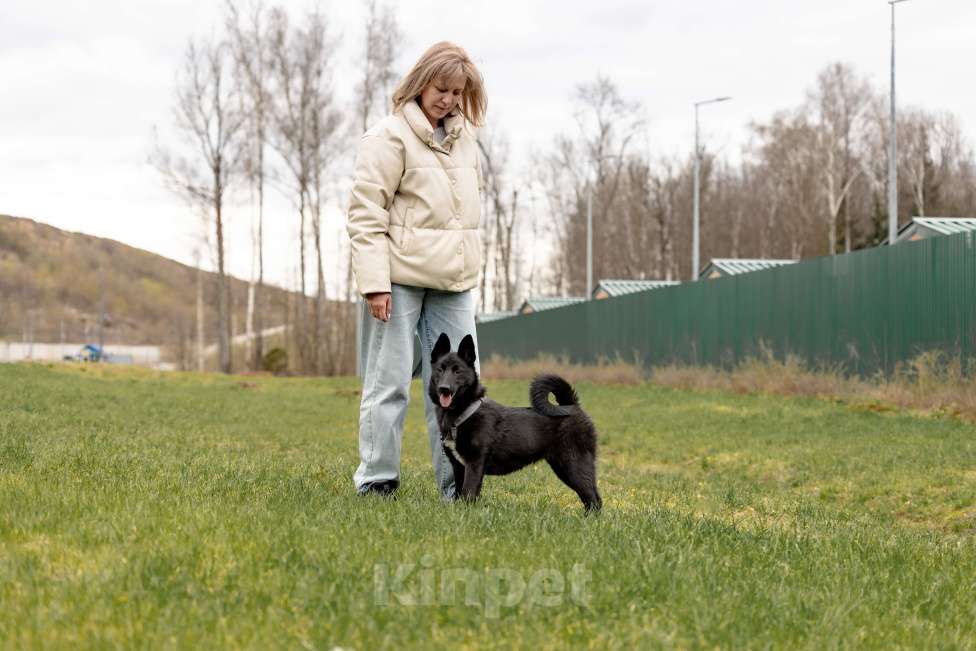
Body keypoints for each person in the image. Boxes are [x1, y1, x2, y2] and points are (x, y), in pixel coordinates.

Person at [346, 41, 486, 499]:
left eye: (456, 92)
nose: (447, 99)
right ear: (420, 82)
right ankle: (377, 480)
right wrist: (374, 285)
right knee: (389, 385)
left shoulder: (466, 141)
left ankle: (458, 488)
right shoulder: (387, 137)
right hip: (399, 281)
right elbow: (367, 213)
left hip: (453, 285)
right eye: (440, 88)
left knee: (459, 389)